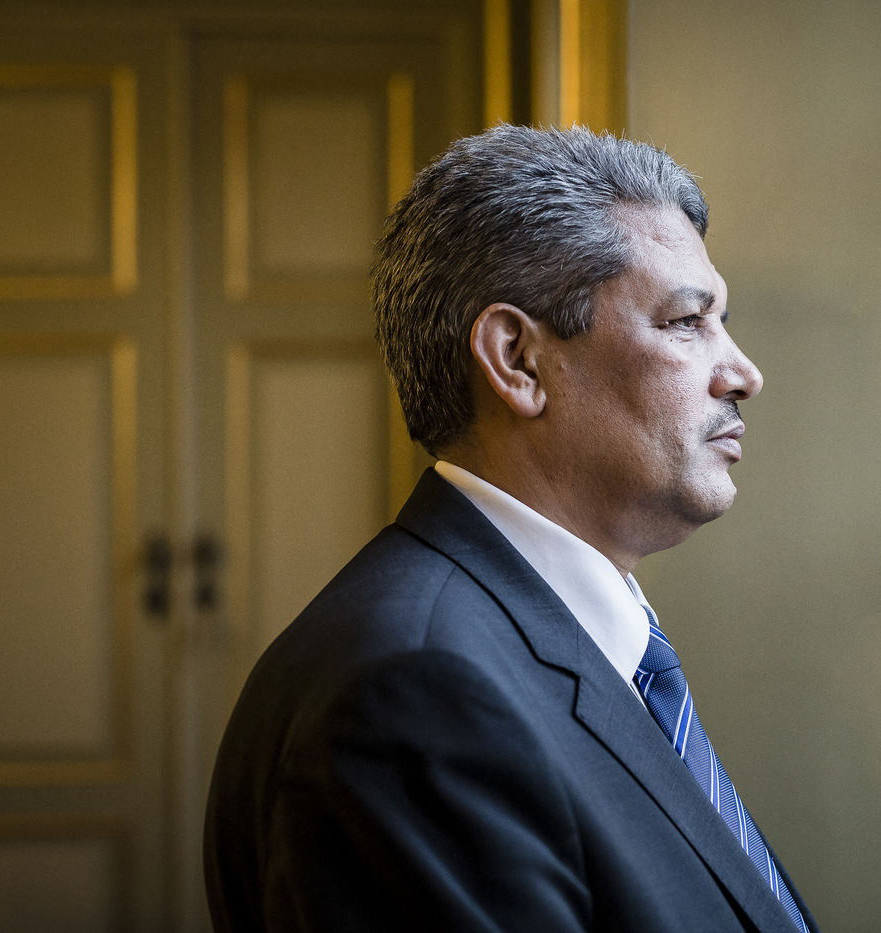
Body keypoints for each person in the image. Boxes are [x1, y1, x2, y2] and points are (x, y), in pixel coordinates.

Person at [204, 124, 816, 932]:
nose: (743, 372)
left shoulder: (550, 646)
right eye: (684, 322)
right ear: (518, 360)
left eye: (721, 320)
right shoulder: (415, 693)